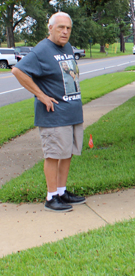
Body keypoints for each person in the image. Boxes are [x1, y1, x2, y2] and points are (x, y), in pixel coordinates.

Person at [11, 12, 86, 213]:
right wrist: (41, 95)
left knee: (67, 152)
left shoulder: (68, 47)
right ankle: (51, 197)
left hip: (71, 112)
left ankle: (61, 191)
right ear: (50, 28)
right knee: (53, 155)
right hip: (54, 115)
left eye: (68, 28)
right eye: (61, 27)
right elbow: (18, 71)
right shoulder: (41, 50)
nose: (65, 31)